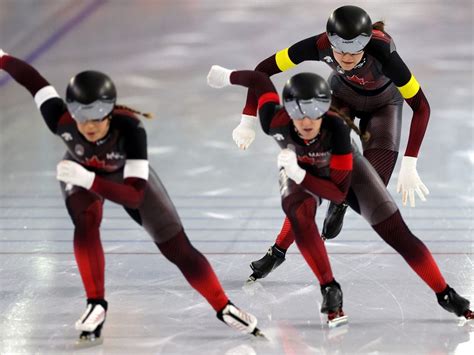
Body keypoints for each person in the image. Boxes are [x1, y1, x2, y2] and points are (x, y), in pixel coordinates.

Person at [0, 49, 264, 343]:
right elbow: (31, 79)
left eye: (98, 115)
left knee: (177, 248)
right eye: (81, 116)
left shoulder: (130, 129)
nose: (89, 125)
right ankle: (95, 304)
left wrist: (89, 178)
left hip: (124, 181)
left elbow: (135, 198)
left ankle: (224, 306)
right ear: (71, 112)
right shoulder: (59, 119)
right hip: (80, 173)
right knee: (85, 222)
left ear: (111, 111)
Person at [206, 64, 473, 326]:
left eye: (315, 111)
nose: (307, 121)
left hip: (342, 173)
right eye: (299, 112)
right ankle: (330, 288)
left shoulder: (337, 130)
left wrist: (299, 174)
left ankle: (446, 294)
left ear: (327, 110)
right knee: (297, 211)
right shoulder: (274, 120)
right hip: (300, 168)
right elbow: (259, 79)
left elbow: (338, 192)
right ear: (286, 111)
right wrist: (227, 78)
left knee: (396, 231)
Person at [231, 6, 431, 277]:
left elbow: (421, 107)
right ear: (329, 41)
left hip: (384, 106)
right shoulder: (317, 45)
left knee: (371, 188)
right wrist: (247, 119)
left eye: (355, 51)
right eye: (340, 51)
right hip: (341, 97)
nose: (347, 57)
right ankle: (277, 251)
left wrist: (410, 164)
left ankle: (342, 202)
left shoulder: (384, 53)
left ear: (367, 45)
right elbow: (261, 71)